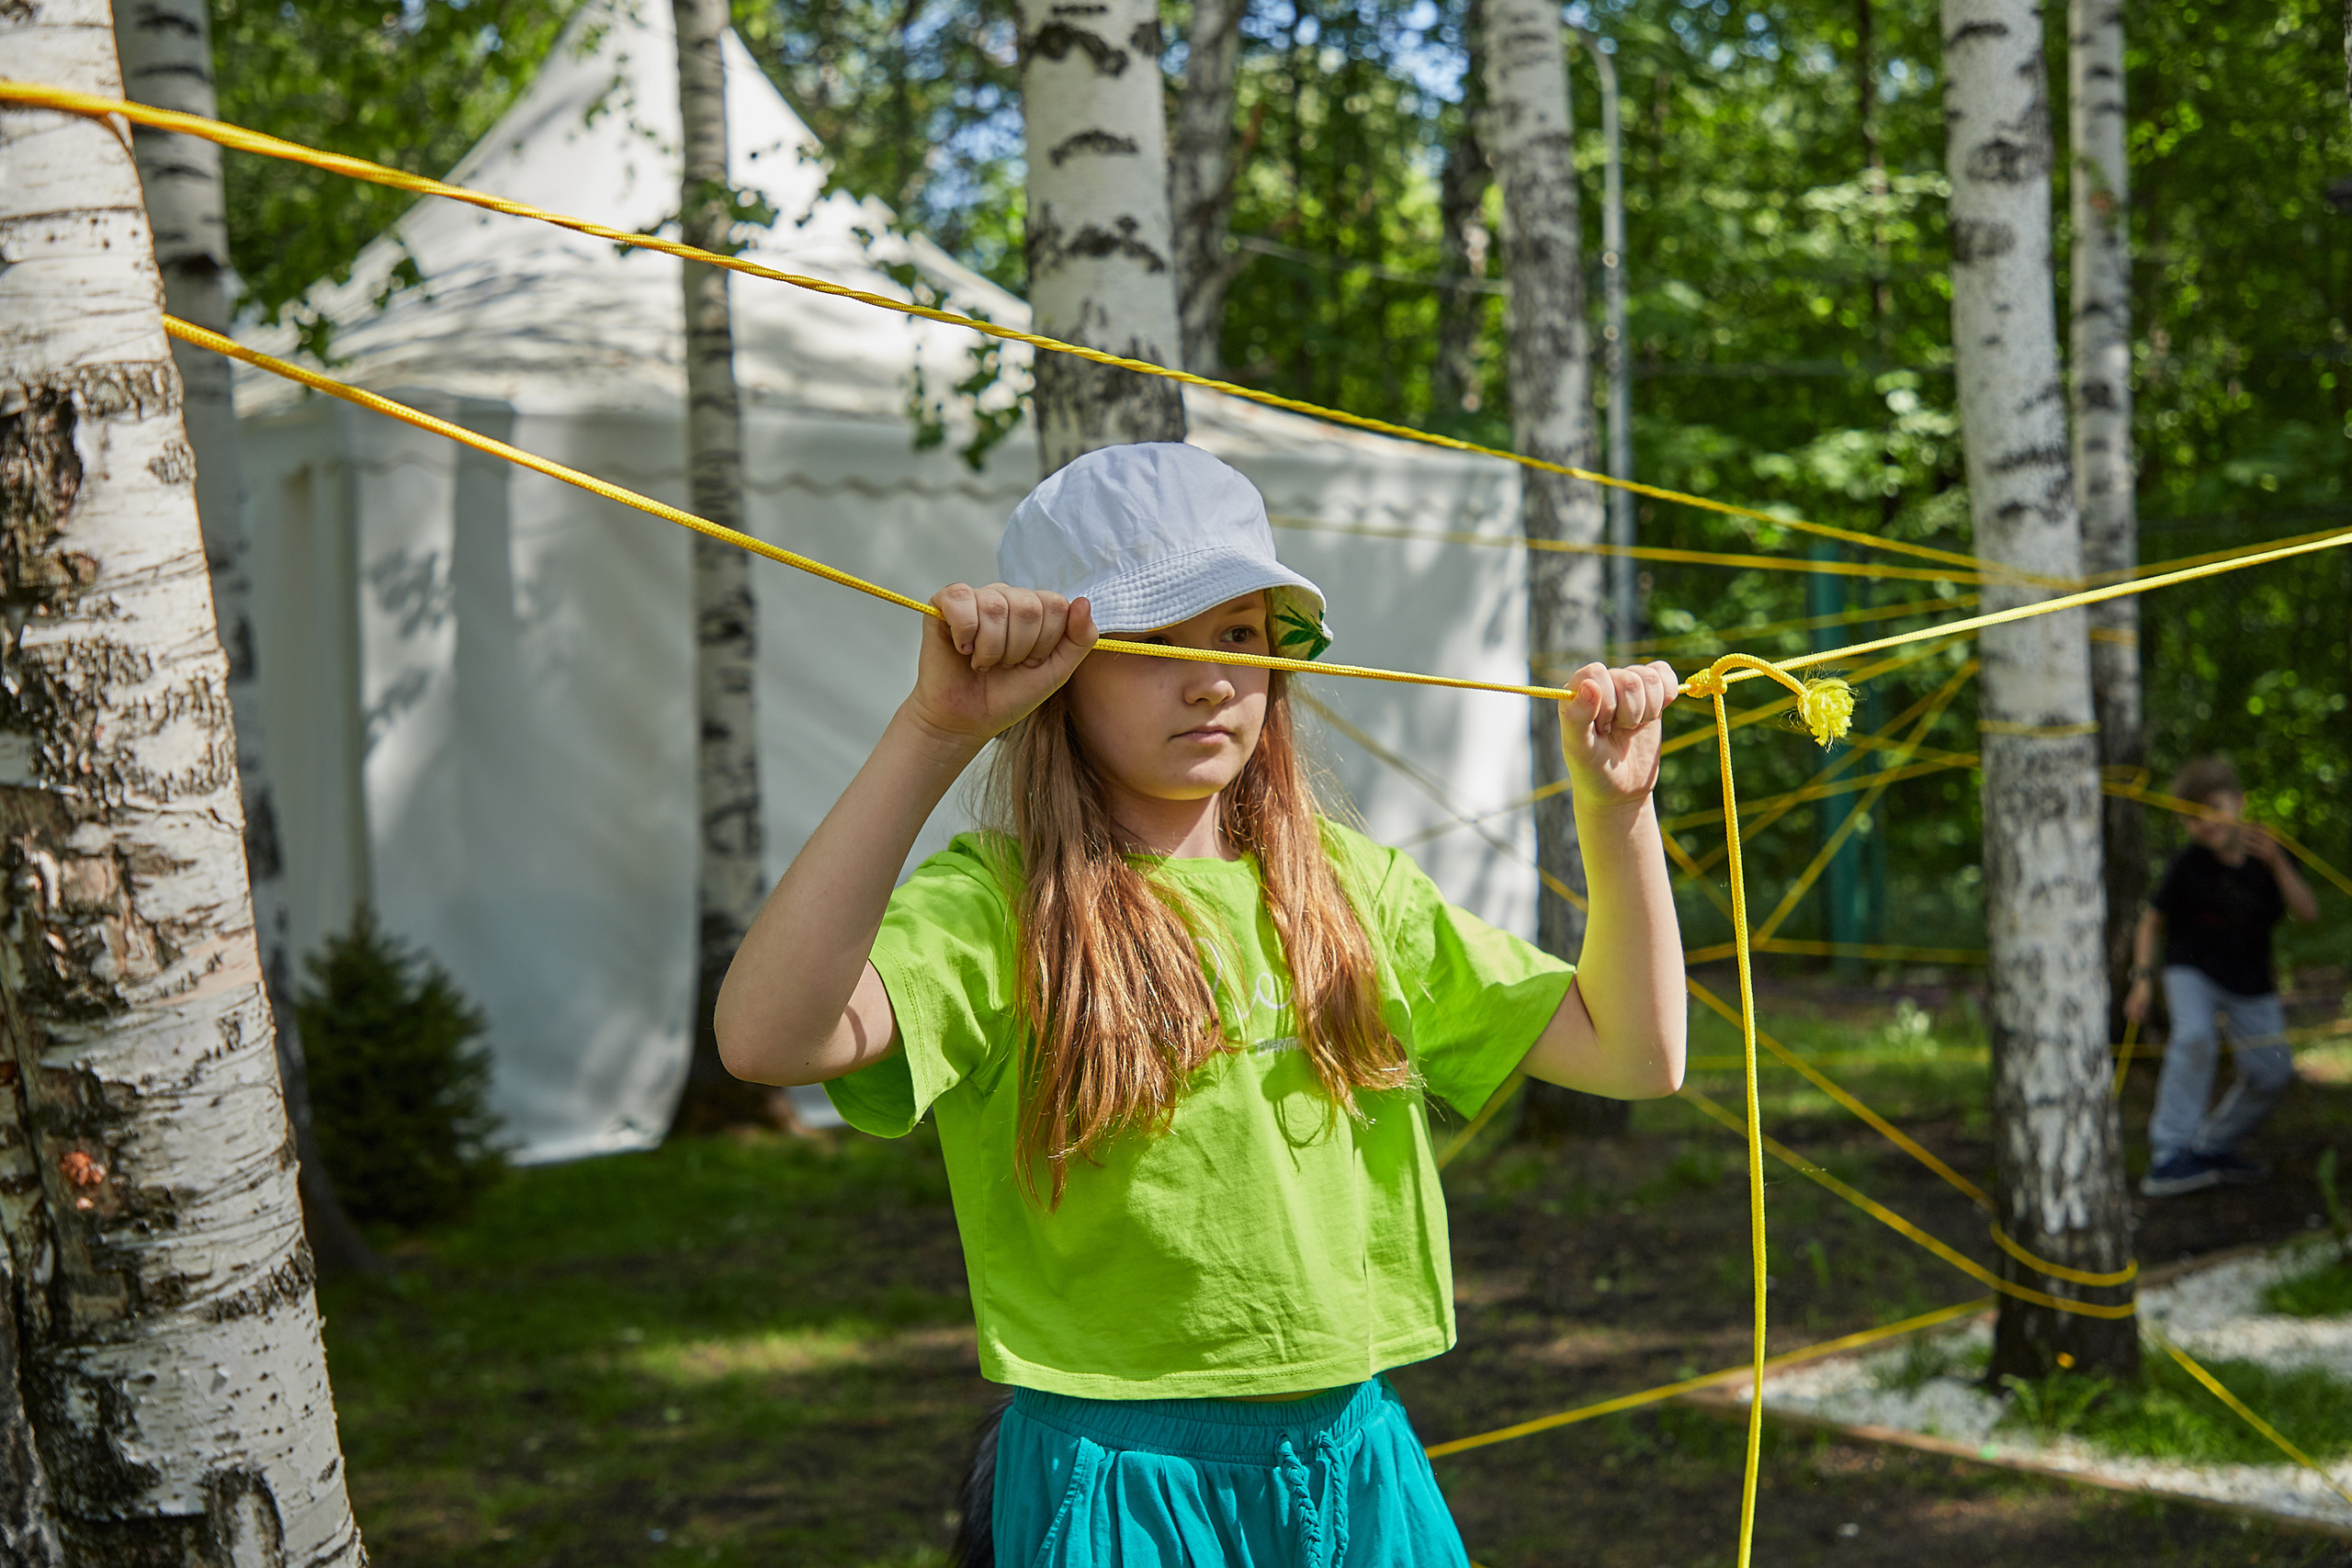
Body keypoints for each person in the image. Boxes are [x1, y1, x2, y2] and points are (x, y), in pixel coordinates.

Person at [713, 443, 1689, 1568]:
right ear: (1058, 675)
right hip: (1122, 1484)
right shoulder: (1001, 906)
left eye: (1236, 635)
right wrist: (936, 731)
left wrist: (1619, 819)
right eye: (1151, 644)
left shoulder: (1349, 888)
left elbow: (1636, 1053)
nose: (1212, 679)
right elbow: (766, 1038)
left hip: (1354, 1461)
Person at [2124, 756, 2319, 1197]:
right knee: (2194, 1038)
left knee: (2273, 1072)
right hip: (2190, 970)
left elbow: (2307, 913)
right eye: (2190, 817)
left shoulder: (2269, 855)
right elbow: (2150, 921)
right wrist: (2141, 979)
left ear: (2239, 803)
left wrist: (2278, 865)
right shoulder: (2187, 866)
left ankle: (2212, 1146)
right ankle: (2169, 1154)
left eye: (2213, 808)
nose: (2204, 823)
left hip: (2250, 980)